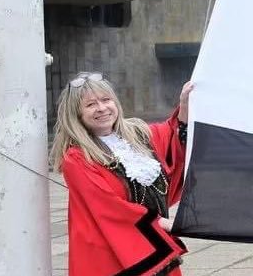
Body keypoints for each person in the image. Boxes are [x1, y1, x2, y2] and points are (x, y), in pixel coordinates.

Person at [50, 72, 194, 275]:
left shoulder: (140, 135)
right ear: (77, 114)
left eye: (106, 100)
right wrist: (157, 221)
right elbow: (107, 205)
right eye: (90, 105)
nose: (101, 108)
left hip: (153, 240)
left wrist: (185, 104)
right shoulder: (76, 157)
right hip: (112, 251)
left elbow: (173, 135)